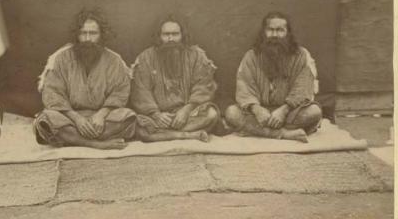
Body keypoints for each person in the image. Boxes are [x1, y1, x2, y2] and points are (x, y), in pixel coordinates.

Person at [33, 10, 135, 149]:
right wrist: (77, 119)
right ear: (77, 35)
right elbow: (52, 94)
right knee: (46, 119)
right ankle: (95, 144)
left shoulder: (114, 60)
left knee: (128, 117)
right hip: (70, 118)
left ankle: (72, 139)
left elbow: (120, 92)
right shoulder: (62, 58)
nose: (87, 38)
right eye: (83, 33)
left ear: (101, 35)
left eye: (93, 33)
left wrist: (101, 115)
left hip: (102, 118)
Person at [224, 12, 322, 143]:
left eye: (280, 30)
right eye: (270, 30)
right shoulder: (251, 56)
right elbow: (244, 88)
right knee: (231, 113)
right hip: (259, 113)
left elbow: (303, 89)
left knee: (314, 112)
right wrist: (257, 110)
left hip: (289, 112)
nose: (275, 35)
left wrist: (284, 110)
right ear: (263, 32)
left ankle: (259, 131)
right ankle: (284, 134)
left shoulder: (302, 55)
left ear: (288, 33)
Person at [130, 17, 219, 142]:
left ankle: (162, 135)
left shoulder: (197, 55)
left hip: (186, 113)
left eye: (175, 34)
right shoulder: (146, 57)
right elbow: (141, 91)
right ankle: (188, 135)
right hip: (158, 115)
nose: (170, 39)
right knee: (139, 126)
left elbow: (203, 86)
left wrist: (186, 110)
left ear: (182, 35)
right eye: (166, 34)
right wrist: (156, 115)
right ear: (159, 36)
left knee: (211, 114)